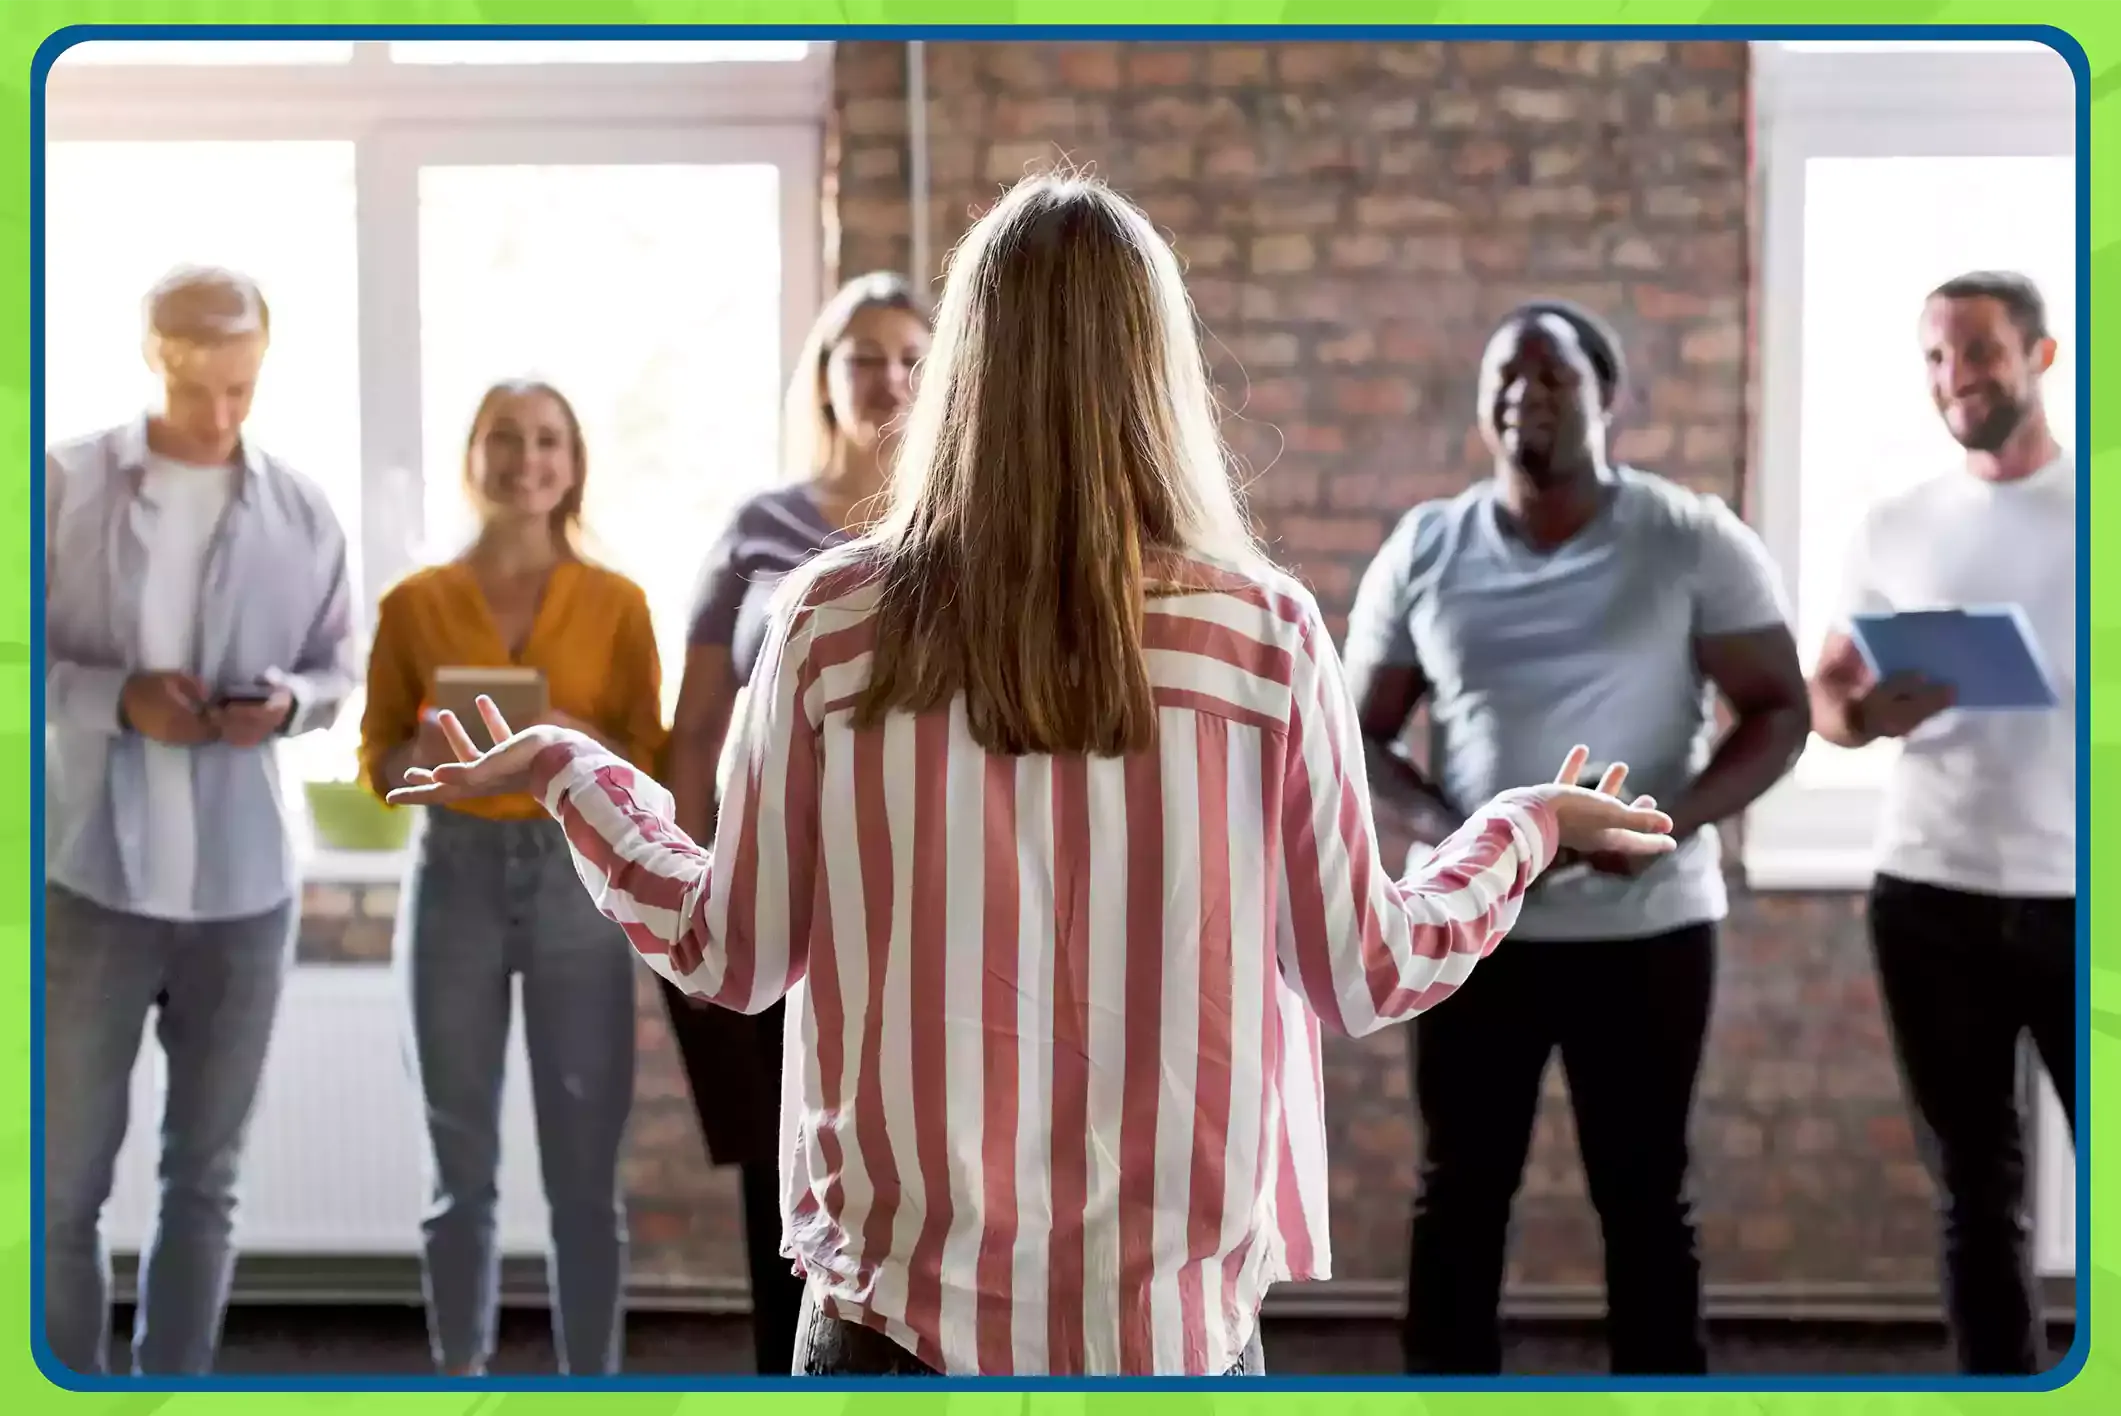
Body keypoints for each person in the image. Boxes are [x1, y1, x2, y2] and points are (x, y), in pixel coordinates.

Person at [381, 172, 1678, 1378]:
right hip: (1169, 1343)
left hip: (894, 1329)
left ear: (960, 366)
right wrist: (1523, 828)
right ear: (1156, 372)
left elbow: (732, 953)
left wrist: (570, 774)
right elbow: (1366, 970)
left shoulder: (831, 621)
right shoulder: (1263, 635)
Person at [1344, 300, 1810, 1375]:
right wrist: (1485, 842)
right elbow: (1358, 739)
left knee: (1645, 1197)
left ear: (1609, 397)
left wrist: (1659, 827)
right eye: (1505, 378)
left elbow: (1780, 709)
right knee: (1459, 1194)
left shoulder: (1690, 537)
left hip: (1648, 934)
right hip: (1472, 937)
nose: (1526, 395)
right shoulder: (1427, 547)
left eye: (1552, 375)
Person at [42, 265, 360, 1375]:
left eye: (242, 387)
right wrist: (112, 698)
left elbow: (338, 668)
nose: (221, 415)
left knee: (205, 1182)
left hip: (245, 896)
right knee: (59, 1187)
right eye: (197, 389)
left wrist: (289, 704)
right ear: (153, 358)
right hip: (86, 885)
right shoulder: (59, 485)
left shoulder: (302, 510)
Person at [358, 380, 666, 1376]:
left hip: (577, 878)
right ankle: (461, 1378)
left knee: (584, 1180)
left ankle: (594, 1387)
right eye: (503, 437)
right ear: (472, 455)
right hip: (453, 875)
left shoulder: (619, 605)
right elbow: (377, 765)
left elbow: (649, 765)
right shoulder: (413, 605)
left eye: (545, 440)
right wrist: (423, 754)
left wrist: (574, 739)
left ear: (571, 464)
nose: (525, 459)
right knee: (459, 1172)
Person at [659, 271, 930, 1375]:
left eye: (911, 359)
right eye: (862, 358)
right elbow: (694, 730)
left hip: (896, 897)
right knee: (779, 1176)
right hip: (770, 882)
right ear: (822, 377)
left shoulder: (954, 522)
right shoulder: (758, 529)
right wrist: (696, 889)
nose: (888, 380)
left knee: (888, 1163)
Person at [1808, 270, 2075, 1375]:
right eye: (1934, 357)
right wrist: (1867, 716)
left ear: (2040, 357)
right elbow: (1828, 693)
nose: (1954, 377)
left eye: (1978, 352)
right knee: (1974, 1186)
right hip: (1931, 896)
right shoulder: (1896, 524)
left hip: (2081, 896)